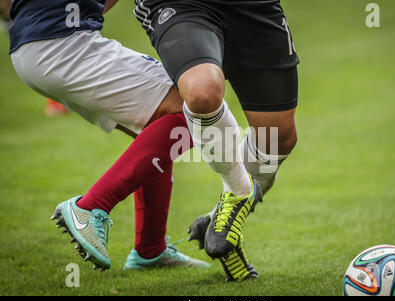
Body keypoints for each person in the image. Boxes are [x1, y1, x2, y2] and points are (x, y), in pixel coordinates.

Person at [9, 0, 258, 280]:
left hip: (26, 49)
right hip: (66, 44)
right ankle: (90, 208)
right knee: (191, 109)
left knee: (156, 128)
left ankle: (150, 249)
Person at [134, 0, 300, 260]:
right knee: (202, 90)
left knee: (279, 137)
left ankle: (216, 217)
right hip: (182, 5)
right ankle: (239, 192)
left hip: (253, 7)